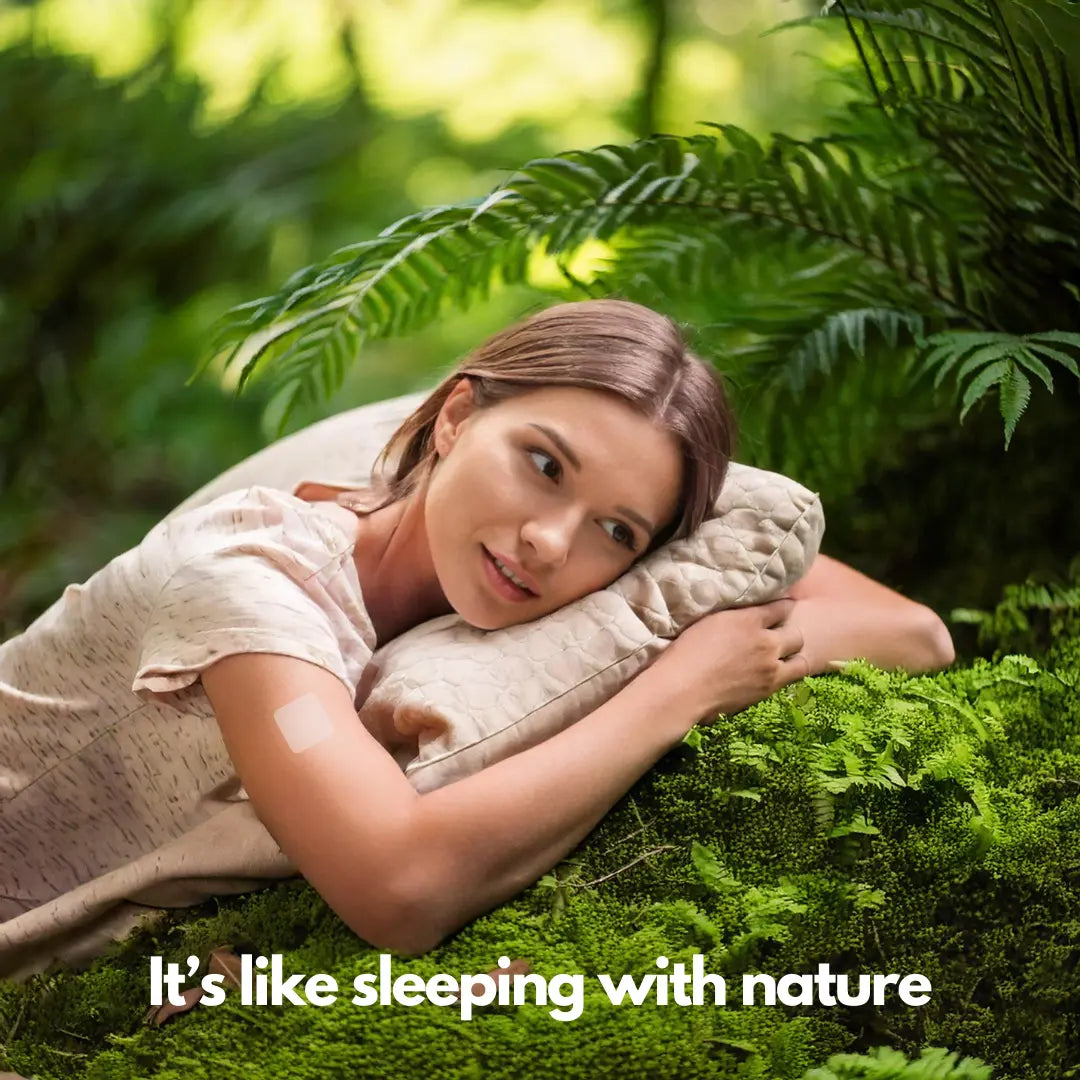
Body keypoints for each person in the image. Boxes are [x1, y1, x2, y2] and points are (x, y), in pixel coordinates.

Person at [0, 299, 954, 968]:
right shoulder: (255, 590)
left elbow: (913, 632)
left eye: (615, 529)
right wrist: (683, 689)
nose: (548, 542)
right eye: (542, 464)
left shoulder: (496, 559)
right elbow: (399, 888)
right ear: (457, 416)